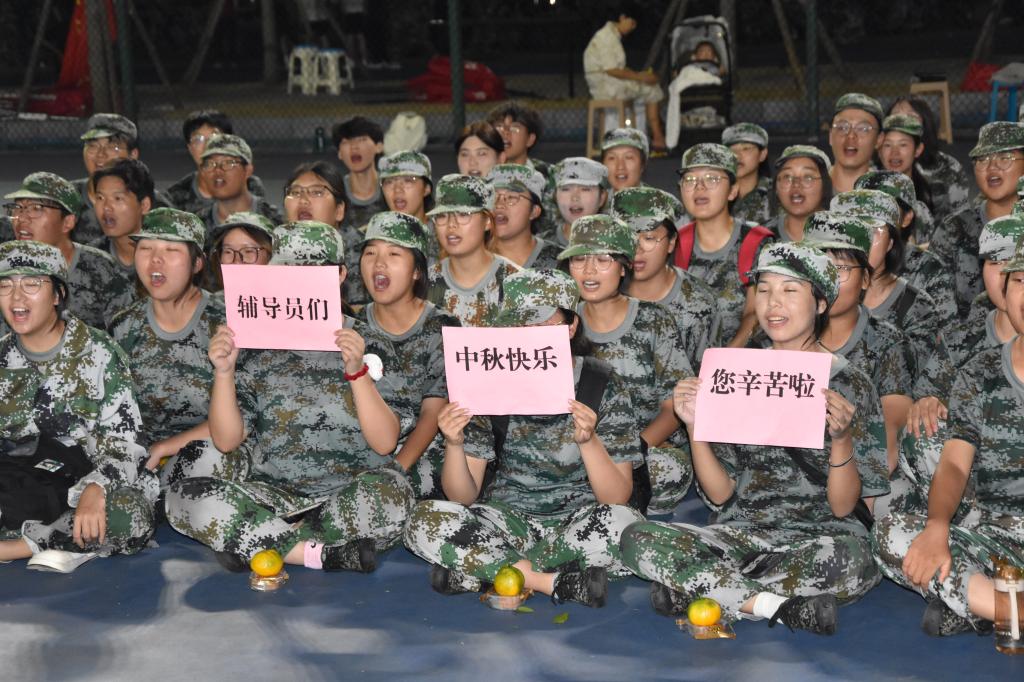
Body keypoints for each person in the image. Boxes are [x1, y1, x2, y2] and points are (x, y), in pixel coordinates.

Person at [621, 241, 889, 635]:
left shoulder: (852, 385)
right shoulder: (734, 375)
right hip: (742, 530)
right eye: (763, 290)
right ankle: (768, 604)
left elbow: (844, 506)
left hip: (822, 536)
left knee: (850, 562)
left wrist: (842, 439)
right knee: (636, 536)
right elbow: (721, 495)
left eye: (790, 290)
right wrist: (694, 426)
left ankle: (706, 585)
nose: (773, 303)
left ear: (820, 303)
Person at [165, 223, 415, 572]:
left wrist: (357, 372)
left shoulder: (370, 342)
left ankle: (261, 540)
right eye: (289, 271)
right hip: (276, 496)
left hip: (350, 494)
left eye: (313, 272)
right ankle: (313, 552)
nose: (300, 282)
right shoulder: (256, 342)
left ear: (340, 275)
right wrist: (223, 372)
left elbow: (385, 442)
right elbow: (226, 440)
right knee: (184, 497)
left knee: (393, 492)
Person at [403, 268, 644, 607]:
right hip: (508, 518)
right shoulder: (486, 383)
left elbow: (616, 498)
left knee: (626, 526)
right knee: (424, 520)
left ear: (571, 326)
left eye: (542, 325)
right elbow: (463, 496)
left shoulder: (601, 383)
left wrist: (589, 442)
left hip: (579, 521)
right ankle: (549, 581)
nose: (529, 336)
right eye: (519, 326)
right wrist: (454, 444)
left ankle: (492, 567)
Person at [871, 241, 1024, 637]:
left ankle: (981, 604)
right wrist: (937, 526)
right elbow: (955, 462)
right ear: (1004, 291)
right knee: (892, 534)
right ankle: (1007, 608)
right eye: (1021, 281)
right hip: (997, 535)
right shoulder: (981, 371)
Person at [0, 240, 154, 571]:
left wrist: (95, 487)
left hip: (88, 482)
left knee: (129, 514)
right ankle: (65, 540)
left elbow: (127, 447)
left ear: (58, 295)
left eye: (31, 284)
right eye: (5, 286)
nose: (16, 298)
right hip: (24, 485)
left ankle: (20, 546)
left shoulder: (99, 353)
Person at [558, 214, 693, 515]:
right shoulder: (560, 324)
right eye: (579, 259)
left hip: (645, 446)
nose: (589, 270)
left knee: (668, 469)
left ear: (624, 267)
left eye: (603, 259)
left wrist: (634, 451)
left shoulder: (653, 320)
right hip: (578, 445)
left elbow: (673, 406)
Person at [111, 208, 249, 490]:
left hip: (210, 455)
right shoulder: (123, 326)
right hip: (142, 458)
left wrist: (166, 447)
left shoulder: (228, 324)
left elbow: (244, 418)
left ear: (197, 263)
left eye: (171, 250)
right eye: (145, 248)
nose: (155, 259)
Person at [899, 215, 1024, 517]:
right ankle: (969, 521)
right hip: (972, 469)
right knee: (922, 432)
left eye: (1012, 265)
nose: (1002, 274)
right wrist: (928, 403)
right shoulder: (961, 340)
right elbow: (925, 399)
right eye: (994, 263)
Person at [802, 212, 915, 475]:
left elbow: (889, 431)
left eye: (840, 269)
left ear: (865, 278)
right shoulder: (774, 338)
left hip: (855, 473)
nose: (826, 279)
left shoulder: (888, 343)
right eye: (816, 266)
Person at [358, 211, 458, 500]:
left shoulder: (442, 327)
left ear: (416, 271)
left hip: (420, 453)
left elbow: (432, 413)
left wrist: (396, 469)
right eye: (370, 253)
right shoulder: (353, 325)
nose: (379, 263)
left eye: (393, 254)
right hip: (363, 447)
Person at [673, 143, 775, 347]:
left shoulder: (756, 242)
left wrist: (723, 358)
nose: (699, 187)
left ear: (733, 191)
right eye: (690, 179)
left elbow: (755, 313)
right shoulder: (674, 244)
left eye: (712, 178)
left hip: (741, 359)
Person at [610, 185, 720, 373]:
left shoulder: (699, 304)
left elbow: (706, 378)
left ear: (671, 242)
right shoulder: (599, 291)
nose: (636, 249)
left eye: (649, 238)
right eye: (626, 236)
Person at [4, 172, 135, 330]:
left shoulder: (101, 270)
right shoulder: (4, 266)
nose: (22, 218)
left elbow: (126, 333)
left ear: (67, 222)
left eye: (37, 208)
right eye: (18, 208)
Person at [830, 189, 940, 376]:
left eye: (871, 232)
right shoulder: (811, 298)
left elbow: (921, 379)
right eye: (850, 230)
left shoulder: (916, 307)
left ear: (890, 243)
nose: (860, 241)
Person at [930, 122, 1024, 319]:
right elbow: (933, 300)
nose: (992, 166)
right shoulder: (954, 229)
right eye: (982, 159)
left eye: (1005, 157)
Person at [853, 170, 954, 328]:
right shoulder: (837, 263)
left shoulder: (928, 269)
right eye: (862, 208)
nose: (872, 215)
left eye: (886, 208)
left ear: (907, 217)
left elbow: (946, 332)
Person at [425, 174, 520, 327]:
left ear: (487, 221)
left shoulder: (516, 282)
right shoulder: (423, 286)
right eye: (442, 216)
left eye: (464, 214)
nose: (451, 224)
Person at [73, 113, 173, 245]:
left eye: (112, 147)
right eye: (93, 146)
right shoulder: (67, 198)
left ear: (133, 155)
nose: (101, 154)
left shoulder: (155, 207)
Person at [582, 3, 667, 152]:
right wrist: (641, 78)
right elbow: (612, 71)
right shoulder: (607, 37)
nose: (632, 28)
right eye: (631, 23)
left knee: (648, 88)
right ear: (622, 18)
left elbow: (617, 69)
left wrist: (639, 76)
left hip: (607, 84)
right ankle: (658, 138)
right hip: (607, 86)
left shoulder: (610, 35)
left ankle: (646, 139)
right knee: (652, 89)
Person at [281, 160, 364, 306]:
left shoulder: (362, 256)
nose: (303, 200)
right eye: (295, 192)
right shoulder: (275, 251)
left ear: (339, 210)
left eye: (317, 192)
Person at [165, 109, 266, 215]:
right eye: (198, 139)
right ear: (190, 148)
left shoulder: (249, 185)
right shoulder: (175, 197)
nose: (207, 145)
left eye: (214, 137)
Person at [887, 96, 970, 224]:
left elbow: (962, 218)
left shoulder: (947, 167)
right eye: (896, 117)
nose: (902, 122)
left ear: (925, 124)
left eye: (911, 116)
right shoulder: (874, 166)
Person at [194, 134, 282, 245]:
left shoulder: (274, 223)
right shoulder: (196, 227)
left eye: (228, 163)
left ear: (248, 170)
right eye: (210, 164)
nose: (217, 171)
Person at [486, 164, 560, 269]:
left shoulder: (559, 261)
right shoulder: (470, 258)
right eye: (493, 196)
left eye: (511, 197)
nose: (498, 205)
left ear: (534, 211)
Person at [91, 158, 154, 278]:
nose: (106, 207)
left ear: (144, 205)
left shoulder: (167, 257)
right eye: (100, 198)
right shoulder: (89, 259)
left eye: (117, 198)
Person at [765, 145, 833, 242]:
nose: (796, 184)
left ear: (825, 185)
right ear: (776, 188)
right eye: (787, 177)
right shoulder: (759, 238)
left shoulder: (845, 235)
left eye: (808, 177)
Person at [333, 116, 388, 230]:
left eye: (362, 139)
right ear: (339, 153)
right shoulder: (334, 193)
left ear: (379, 147)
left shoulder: (392, 189)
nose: (354, 147)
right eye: (346, 142)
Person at [547, 157, 610, 249]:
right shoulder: (539, 246)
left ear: (602, 198)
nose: (575, 197)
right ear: (555, 196)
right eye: (566, 189)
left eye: (585, 189)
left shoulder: (616, 245)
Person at [878, 114, 934, 217]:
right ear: (879, 150)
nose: (895, 152)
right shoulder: (866, 189)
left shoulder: (934, 191)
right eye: (887, 145)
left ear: (918, 150)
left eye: (903, 145)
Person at [828, 93, 884, 194]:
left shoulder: (888, 192)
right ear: (831, 136)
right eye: (842, 127)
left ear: (879, 139)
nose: (851, 135)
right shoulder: (810, 188)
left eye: (863, 129)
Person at [206, 212, 275, 292]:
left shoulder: (285, 298)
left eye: (248, 251)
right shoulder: (210, 300)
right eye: (228, 251)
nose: (237, 261)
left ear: (271, 255)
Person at [723, 123, 772, 226]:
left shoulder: (776, 194)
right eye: (732, 150)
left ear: (762, 154)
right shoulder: (717, 193)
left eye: (746, 149)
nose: (737, 156)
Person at [486, 101, 550, 176]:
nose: (505, 132)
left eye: (514, 128)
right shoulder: (479, 174)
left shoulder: (549, 176)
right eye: (499, 127)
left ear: (530, 139)